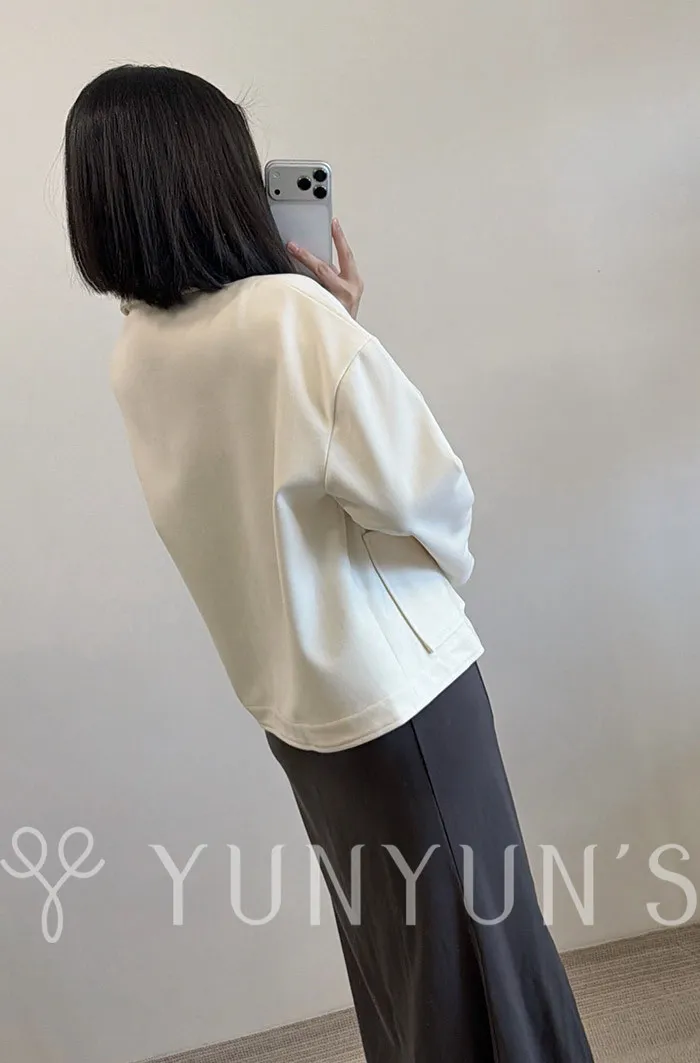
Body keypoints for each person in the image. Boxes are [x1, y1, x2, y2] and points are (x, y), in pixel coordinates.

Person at [64, 64, 594, 1063]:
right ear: (206, 174)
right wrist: (340, 320)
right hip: (403, 698)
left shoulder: (136, 353)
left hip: (299, 711)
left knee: (403, 961)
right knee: (484, 949)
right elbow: (429, 496)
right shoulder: (288, 318)